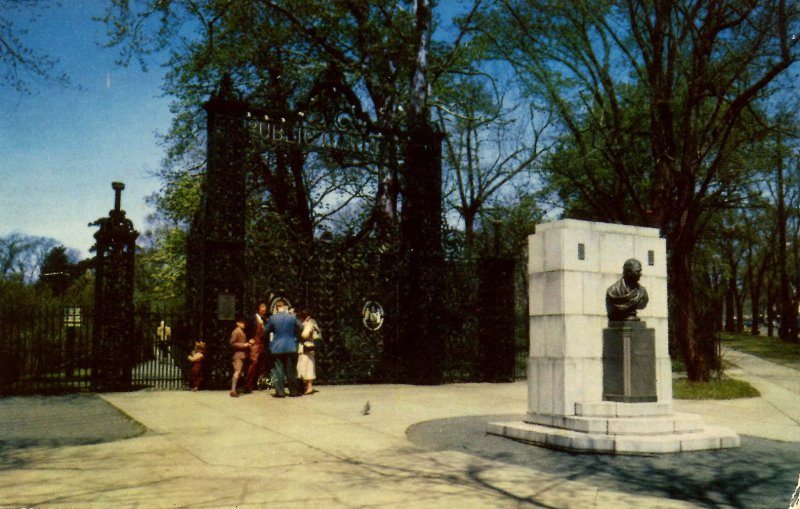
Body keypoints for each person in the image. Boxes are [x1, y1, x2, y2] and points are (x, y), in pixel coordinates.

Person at [265, 299, 304, 397]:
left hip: (277, 347)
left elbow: (265, 330)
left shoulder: (272, 318)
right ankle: (293, 391)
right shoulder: (292, 317)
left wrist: (273, 331)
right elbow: (301, 326)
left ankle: (280, 392)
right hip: (290, 345)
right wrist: (294, 336)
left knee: (278, 370)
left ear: (276, 308)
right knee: (290, 370)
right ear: (285, 307)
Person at [241, 302, 268, 393]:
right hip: (255, 344)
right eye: (262, 307)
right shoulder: (252, 318)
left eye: (265, 307)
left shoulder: (265, 319)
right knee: (253, 364)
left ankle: (260, 384)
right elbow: (246, 329)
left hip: (263, 344)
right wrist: (249, 339)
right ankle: (248, 385)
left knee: (262, 366)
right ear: (258, 308)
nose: (264, 309)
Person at [296, 310, 321, 395]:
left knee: (306, 367)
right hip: (308, 348)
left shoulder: (309, 323)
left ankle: (309, 387)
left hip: (306, 348)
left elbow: (305, 335)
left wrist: (297, 333)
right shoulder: (311, 322)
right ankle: (307, 386)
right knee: (307, 366)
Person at [229, 317, 250, 397]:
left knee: (239, 371)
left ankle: (236, 389)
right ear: (237, 323)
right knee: (237, 371)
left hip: (242, 354)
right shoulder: (236, 332)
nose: (244, 325)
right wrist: (244, 345)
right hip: (238, 354)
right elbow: (232, 343)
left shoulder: (241, 331)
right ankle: (233, 390)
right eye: (242, 323)